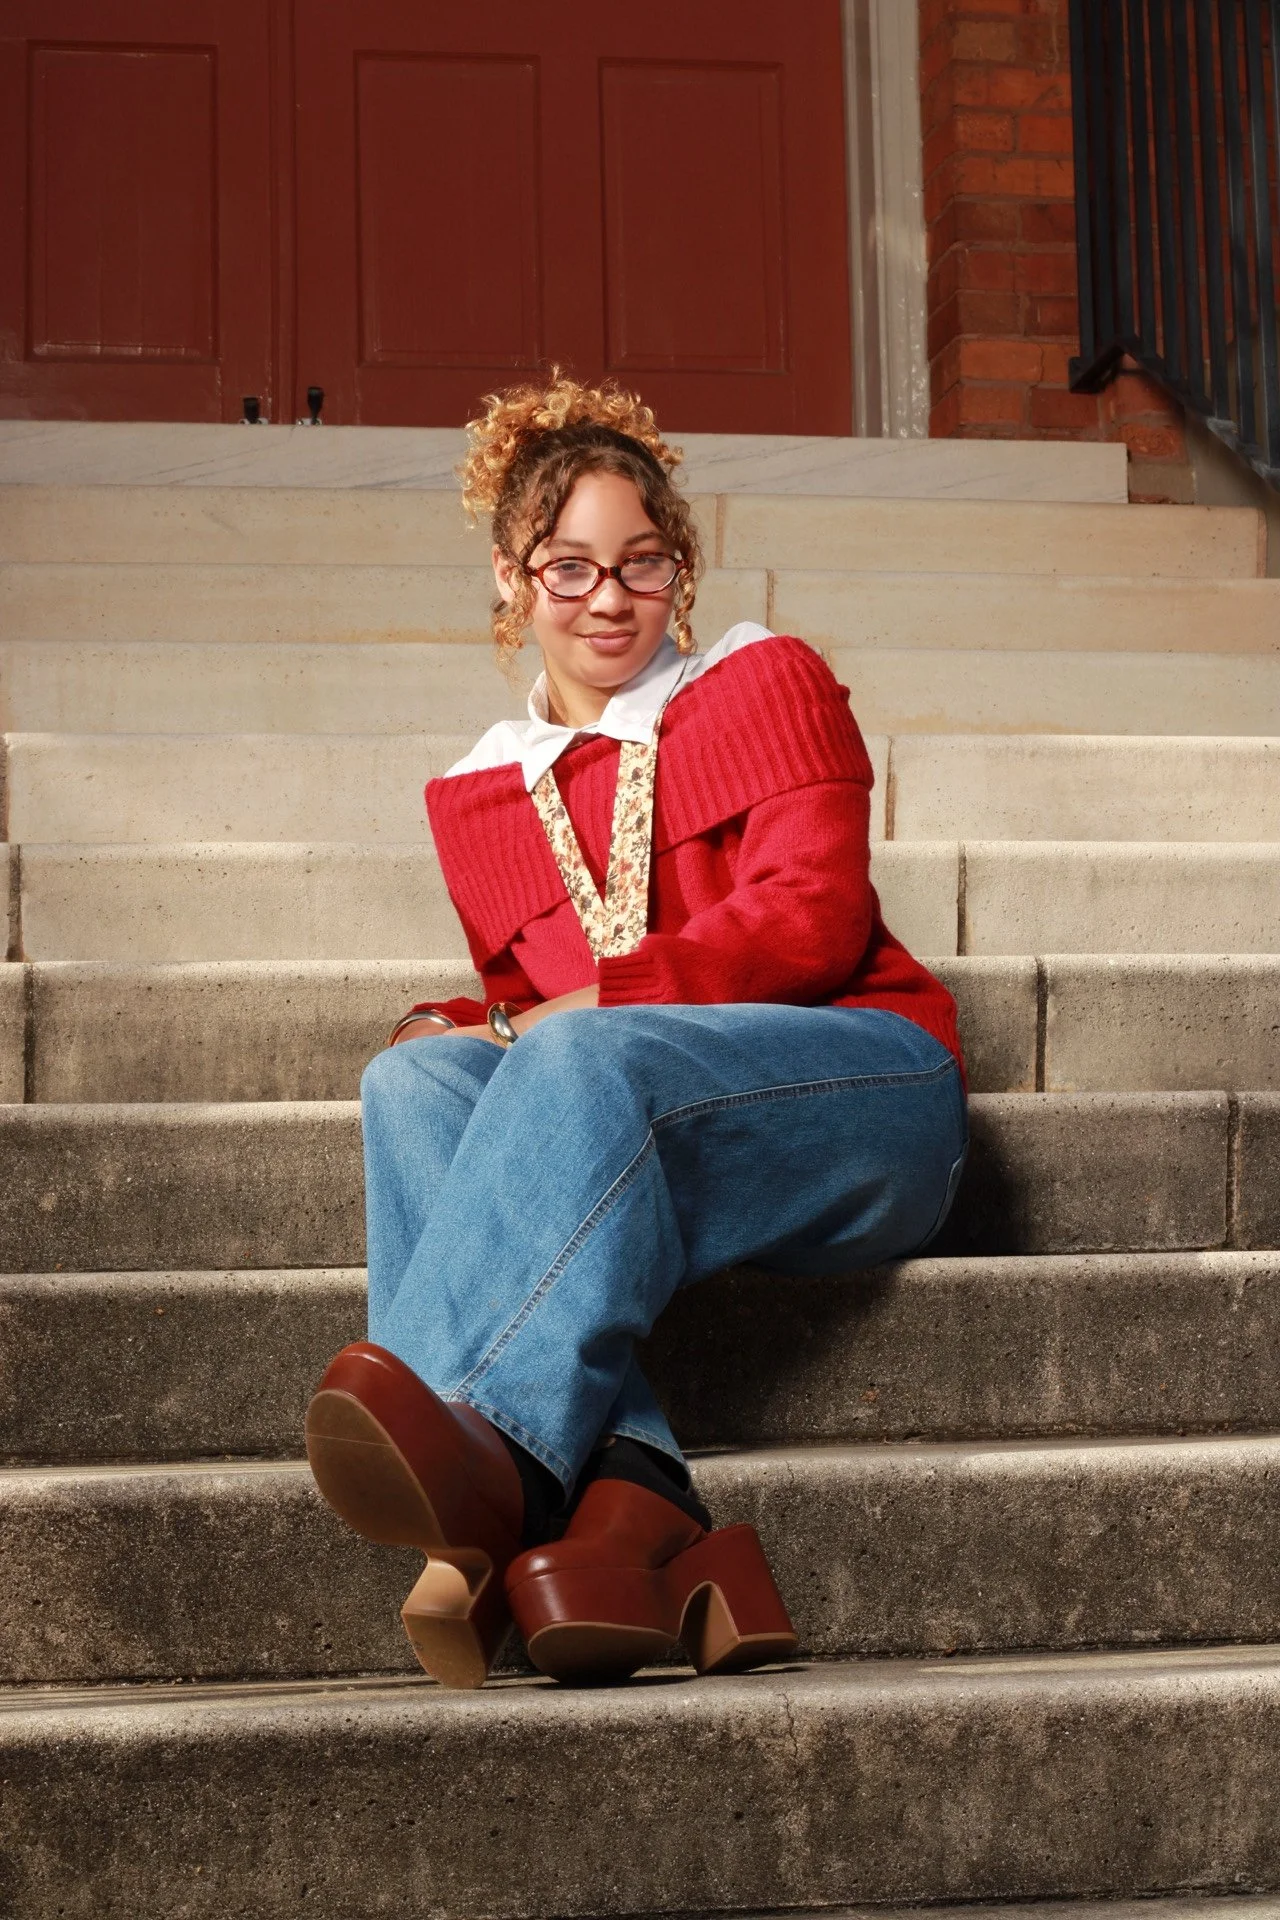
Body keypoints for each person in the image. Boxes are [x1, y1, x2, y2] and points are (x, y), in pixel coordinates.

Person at [305, 372, 968, 1691]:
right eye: (569, 568)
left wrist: (590, 1006)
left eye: (642, 563)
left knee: (570, 1052)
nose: (609, 600)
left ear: (681, 567)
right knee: (419, 1086)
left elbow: (816, 920)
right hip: (655, 1123)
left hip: (868, 1086)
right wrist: (467, 1026)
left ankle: (480, 1462)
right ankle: (634, 1486)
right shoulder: (479, 796)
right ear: (510, 579)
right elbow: (531, 1019)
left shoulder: (763, 680)